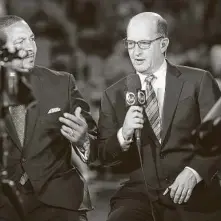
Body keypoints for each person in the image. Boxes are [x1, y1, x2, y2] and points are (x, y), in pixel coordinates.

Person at [97, 12, 221, 221]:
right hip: (140, 195)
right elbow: (103, 155)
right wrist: (123, 134)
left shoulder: (199, 81)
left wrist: (194, 172)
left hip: (194, 191)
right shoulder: (114, 94)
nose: (135, 52)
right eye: (130, 44)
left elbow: (218, 138)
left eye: (144, 44)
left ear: (163, 44)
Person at [0, 15, 97, 221]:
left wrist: (84, 140)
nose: (30, 48)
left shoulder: (61, 83)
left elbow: (99, 144)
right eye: (20, 42)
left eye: (32, 39)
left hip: (59, 200)